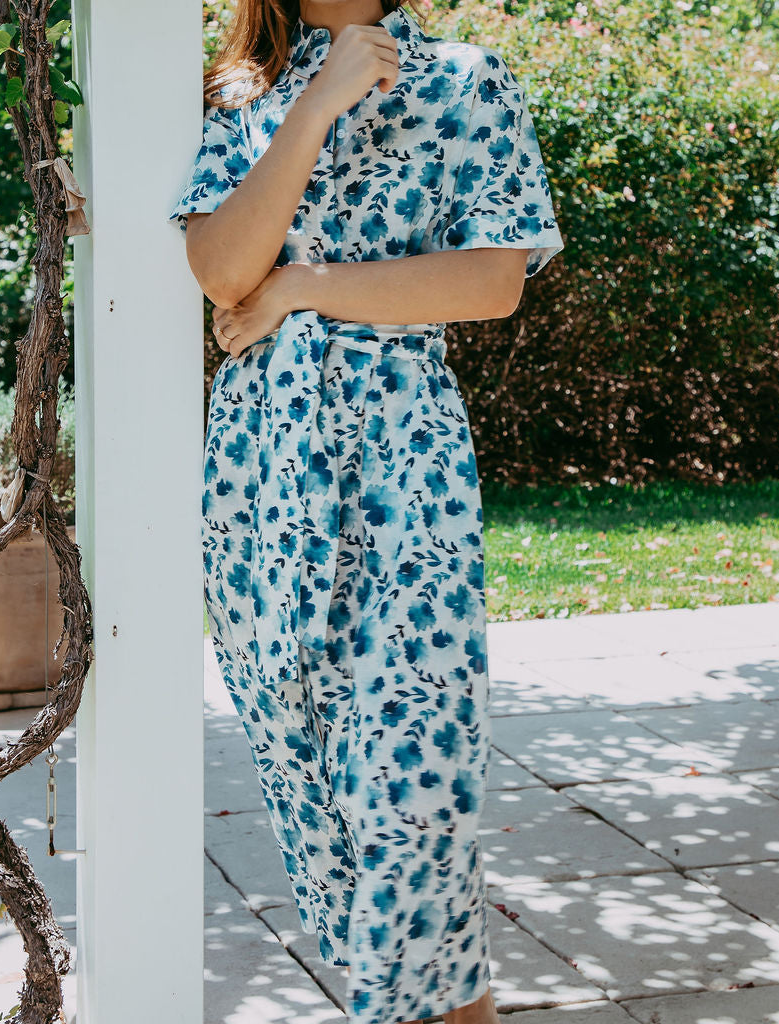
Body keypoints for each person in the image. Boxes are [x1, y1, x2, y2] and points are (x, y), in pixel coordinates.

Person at [167, 1, 564, 1022]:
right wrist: (317, 100)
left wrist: (305, 285)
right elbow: (218, 268)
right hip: (259, 490)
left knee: (412, 806)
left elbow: (490, 281)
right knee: (323, 824)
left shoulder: (468, 80)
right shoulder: (234, 93)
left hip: (403, 477)